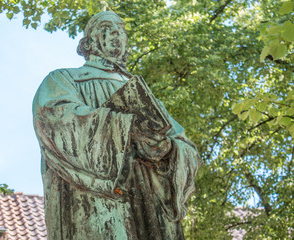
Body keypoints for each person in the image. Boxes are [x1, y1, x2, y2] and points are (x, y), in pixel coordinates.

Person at [33, 11, 202, 240]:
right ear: (88, 42)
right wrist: (123, 128)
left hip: (150, 204)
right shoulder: (64, 79)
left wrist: (165, 149)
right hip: (98, 206)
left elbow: (186, 148)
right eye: (105, 27)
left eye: (121, 29)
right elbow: (56, 122)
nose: (116, 32)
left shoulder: (147, 97)